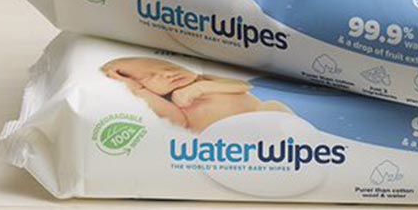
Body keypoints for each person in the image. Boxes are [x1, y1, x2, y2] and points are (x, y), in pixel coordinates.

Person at [102, 56, 291, 132]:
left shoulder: (204, 79)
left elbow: (243, 86)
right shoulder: (171, 105)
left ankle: (295, 140)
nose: (168, 73)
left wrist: (202, 87)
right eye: (152, 76)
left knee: (273, 106)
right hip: (230, 141)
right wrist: (137, 90)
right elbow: (177, 121)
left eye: (169, 66)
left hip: (265, 120)